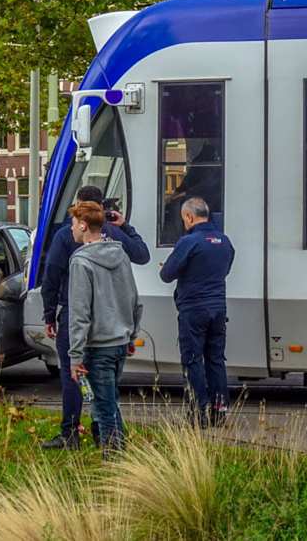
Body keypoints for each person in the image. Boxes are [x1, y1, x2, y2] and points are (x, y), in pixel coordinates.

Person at [41, 185, 149, 450]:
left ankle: (75, 436)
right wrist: (131, 334)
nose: (71, 225)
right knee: (107, 394)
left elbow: (55, 280)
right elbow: (137, 281)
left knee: (74, 377)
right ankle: (101, 435)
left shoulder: (76, 251)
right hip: (117, 333)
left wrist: (49, 314)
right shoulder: (117, 243)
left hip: (88, 330)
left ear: (82, 220)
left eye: (75, 219)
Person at [66, 201, 142, 455]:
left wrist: (75, 356)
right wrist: (131, 336)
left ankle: (116, 462)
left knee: (105, 406)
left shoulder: (80, 262)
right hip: (120, 343)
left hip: (97, 346)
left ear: (84, 225)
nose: (71, 229)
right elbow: (134, 301)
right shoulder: (120, 255)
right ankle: (112, 454)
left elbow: (79, 314)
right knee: (107, 402)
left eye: (74, 224)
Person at [160, 197, 236, 426]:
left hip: (193, 309)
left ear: (189, 217)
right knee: (215, 359)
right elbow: (224, 269)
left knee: (192, 360)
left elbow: (166, 276)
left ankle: (198, 411)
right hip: (218, 309)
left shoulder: (188, 241)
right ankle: (219, 409)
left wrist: (175, 267)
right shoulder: (224, 241)